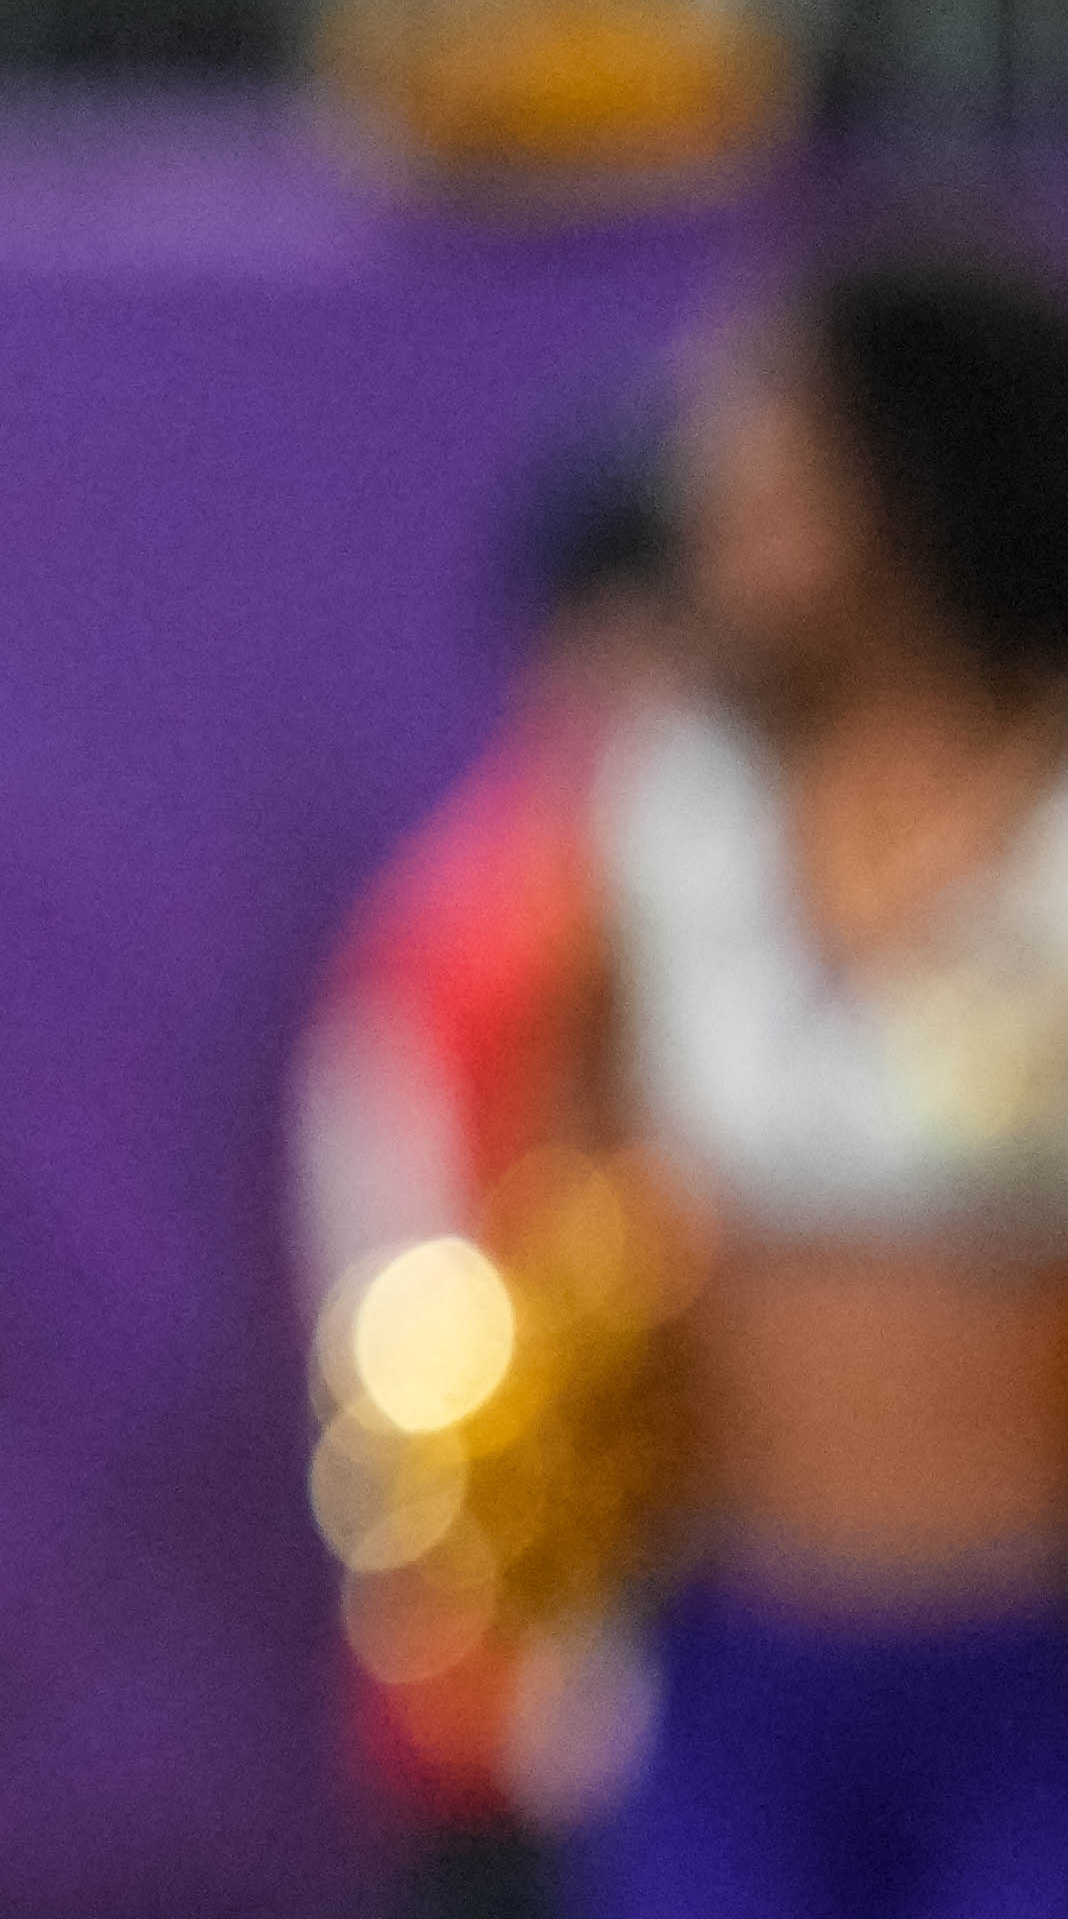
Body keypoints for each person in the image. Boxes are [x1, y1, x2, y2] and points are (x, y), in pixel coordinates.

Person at [568, 240, 1068, 1919]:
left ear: (921, 489)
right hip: (740, 1672)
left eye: (775, 466)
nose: (715, 503)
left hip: (1061, 1684)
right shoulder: (672, 816)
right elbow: (584, 1186)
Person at [293, 434, 695, 1919]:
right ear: (600, 643)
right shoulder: (461, 948)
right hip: (542, 1722)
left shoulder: (771, 918)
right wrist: (561, 1672)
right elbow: (395, 1325)